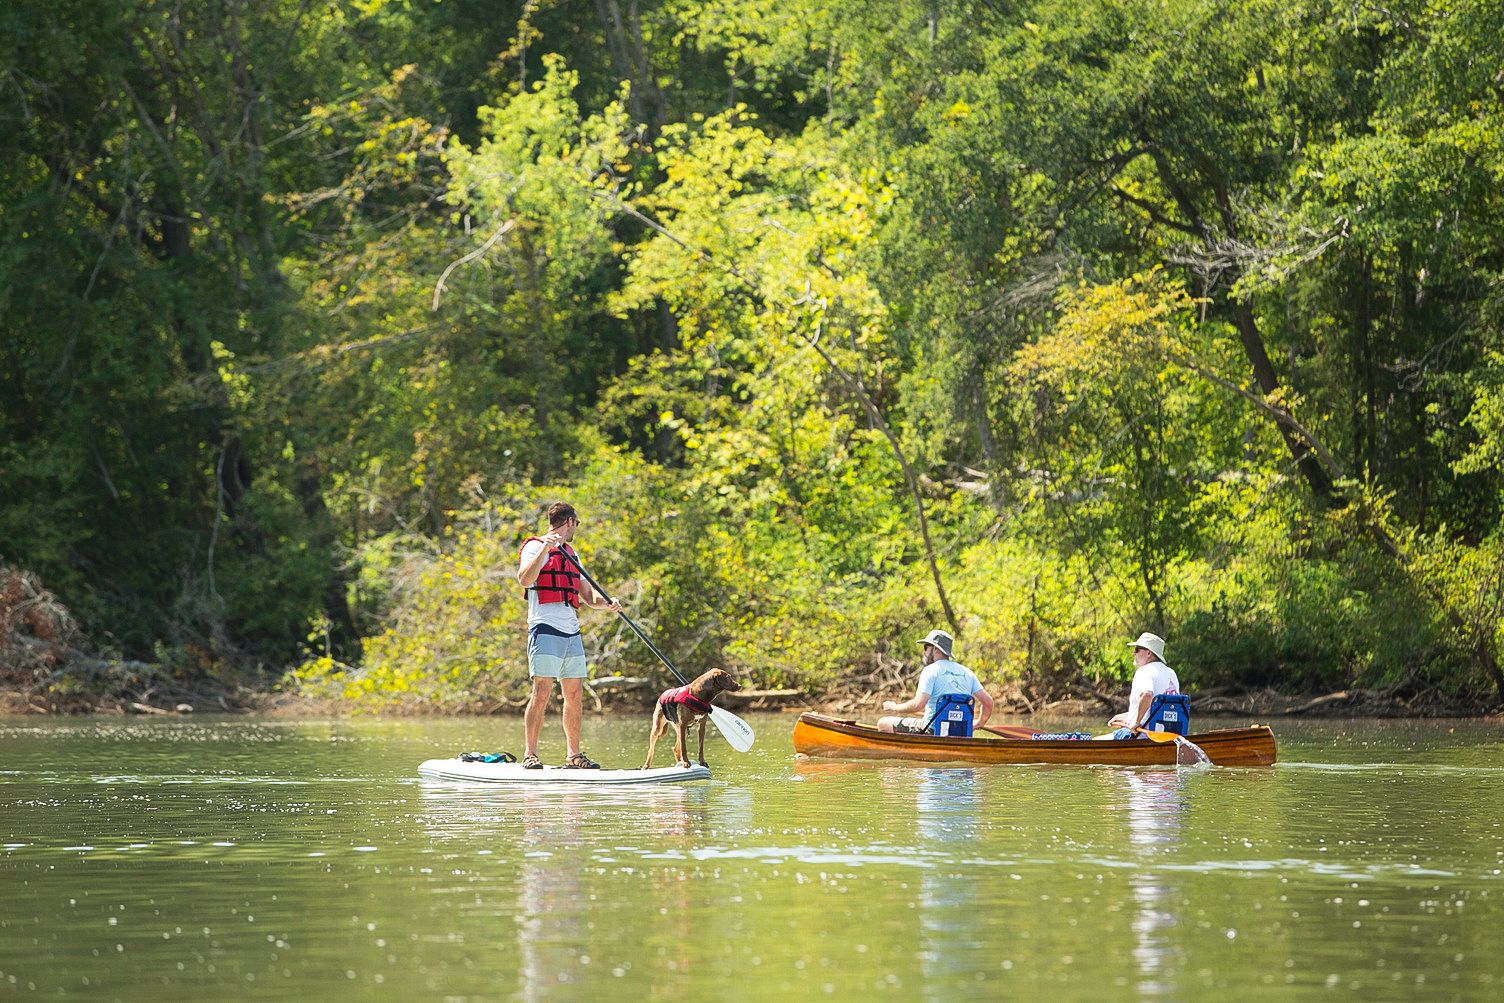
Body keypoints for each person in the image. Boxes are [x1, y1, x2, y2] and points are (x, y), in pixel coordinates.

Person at [516, 501, 620, 769]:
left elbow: (588, 596)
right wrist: (544, 550)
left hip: (571, 631)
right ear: (570, 521)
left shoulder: (572, 554)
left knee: (574, 694)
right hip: (544, 628)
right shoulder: (533, 546)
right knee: (541, 692)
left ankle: (574, 755)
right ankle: (531, 754)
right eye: (577, 524)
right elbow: (525, 579)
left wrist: (607, 603)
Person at [878, 629, 995, 734]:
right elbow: (988, 702)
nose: (924, 652)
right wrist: (979, 723)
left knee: (883, 723)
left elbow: (918, 705)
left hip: (932, 730)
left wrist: (894, 707)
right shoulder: (967, 672)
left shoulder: (930, 671)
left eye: (926, 647)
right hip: (962, 732)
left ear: (935, 648)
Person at [1104, 631, 1181, 739]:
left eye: (1136, 650)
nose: (1133, 653)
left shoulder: (1144, 671)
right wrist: (1126, 716)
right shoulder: (1171, 673)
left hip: (1141, 736)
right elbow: (1156, 710)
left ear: (1149, 653)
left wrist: (1136, 722)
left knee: (1093, 741)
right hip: (1167, 737)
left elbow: (1147, 695)